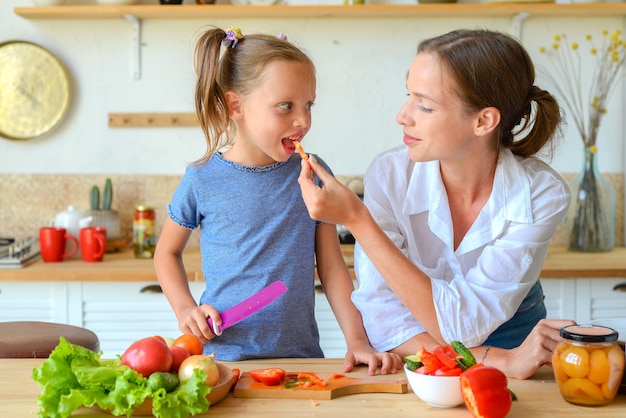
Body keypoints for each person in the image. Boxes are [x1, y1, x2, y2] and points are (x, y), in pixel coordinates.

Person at [298, 29, 576, 379]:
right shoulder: (390, 175)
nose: (403, 115)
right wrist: (496, 360)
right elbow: (382, 313)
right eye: (408, 96)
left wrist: (358, 220)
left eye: (425, 105)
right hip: (421, 357)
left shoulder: (540, 194)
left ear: (483, 121)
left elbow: (464, 326)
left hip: (519, 359)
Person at [154, 27, 401, 375]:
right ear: (235, 105)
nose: (303, 121)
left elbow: (331, 269)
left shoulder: (311, 174)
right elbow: (166, 252)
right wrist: (185, 309)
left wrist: (357, 340)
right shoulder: (202, 179)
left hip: (299, 362)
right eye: (286, 106)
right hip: (222, 363)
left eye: (308, 105)